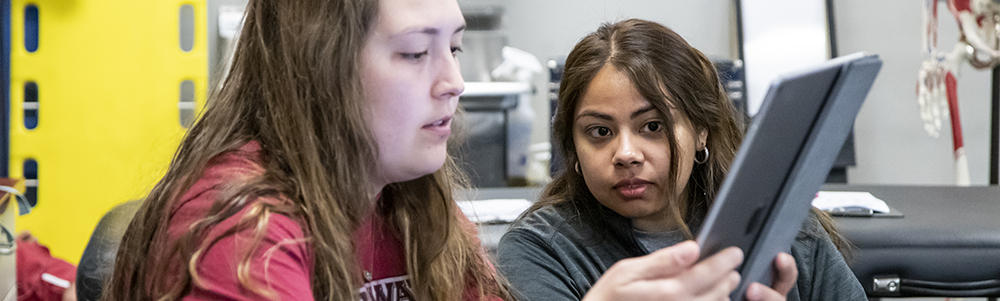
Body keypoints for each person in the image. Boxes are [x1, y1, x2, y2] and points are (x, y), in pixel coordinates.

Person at [103, 0, 510, 300]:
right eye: (416, 52)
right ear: (323, 66)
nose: (454, 82)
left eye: (454, 49)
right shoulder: (243, 227)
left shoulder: (415, 207)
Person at [496, 19, 866, 301]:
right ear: (572, 147)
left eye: (652, 126)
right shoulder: (541, 249)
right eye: (600, 132)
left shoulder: (785, 231)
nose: (626, 154)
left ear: (701, 130)